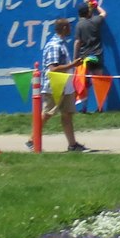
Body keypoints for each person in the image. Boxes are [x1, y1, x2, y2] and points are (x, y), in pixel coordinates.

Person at [41, 18, 87, 152]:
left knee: (67, 114)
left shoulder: (62, 44)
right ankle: (32, 140)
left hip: (66, 86)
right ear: (64, 28)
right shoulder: (54, 45)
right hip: (54, 86)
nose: (71, 29)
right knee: (47, 114)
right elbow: (53, 68)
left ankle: (72, 144)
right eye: (69, 27)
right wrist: (73, 65)